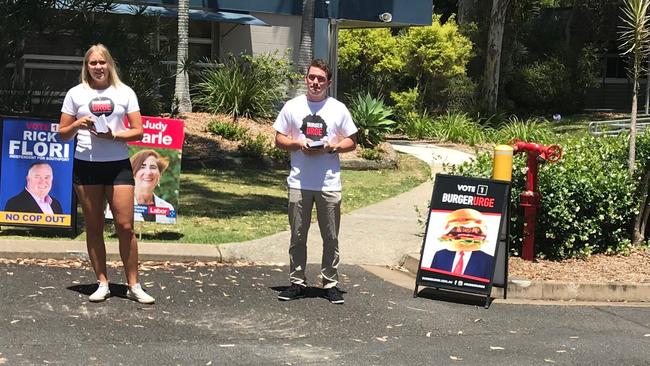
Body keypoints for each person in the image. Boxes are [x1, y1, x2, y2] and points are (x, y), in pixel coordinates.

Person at [58, 44, 154, 304]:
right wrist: (79, 123)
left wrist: (114, 134)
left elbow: (138, 131)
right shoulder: (76, 94)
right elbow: (62, 133)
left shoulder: (124, 92)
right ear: (86, 67)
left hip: (117, 165)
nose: (98, 67)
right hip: (86, 165)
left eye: (102, 62)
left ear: (110, 64)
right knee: (94, 226)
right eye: (93, 63)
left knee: (125, 226)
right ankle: (102, 282)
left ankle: (134, 285)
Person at [273, 59, 358, 304]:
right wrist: (297, 144)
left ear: (328, 83)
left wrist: (333, 147)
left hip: (329, 184)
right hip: (299, 182)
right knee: (298, 236)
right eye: (312, 77)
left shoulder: (338, 109)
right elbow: (278, 139)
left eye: (321, 79)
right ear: (306, 79)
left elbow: (352, 142)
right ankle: (297, 283)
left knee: (330, 237)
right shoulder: (292, 106)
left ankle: (329, 283)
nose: (315, 82)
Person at [106, 150, 176, 223]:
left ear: (160, 175)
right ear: (133, 173)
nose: (148, 172)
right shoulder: (117, 204)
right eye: (142, 167)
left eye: (153, 167)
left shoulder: (168, 208)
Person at [430, 208, 494, 280]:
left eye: (472, 229)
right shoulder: (439, 255)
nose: (467, 230)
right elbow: (431, 280)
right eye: (461, 227)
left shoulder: (488, 261)